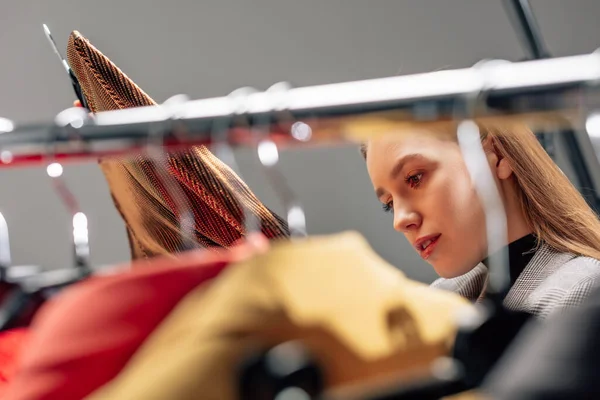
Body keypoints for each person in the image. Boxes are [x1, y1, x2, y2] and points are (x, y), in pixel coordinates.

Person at [362, 118, 600, 318]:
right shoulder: (444, 301)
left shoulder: (580, 294)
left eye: (414, 178)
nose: (400, 220)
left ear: (496, 153)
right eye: (389, 205)